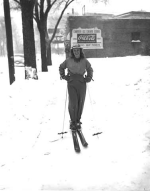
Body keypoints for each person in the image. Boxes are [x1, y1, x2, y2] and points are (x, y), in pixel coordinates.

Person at [59, 44, 93, 130]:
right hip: (71, 83)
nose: (76, 52)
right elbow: (61, 67)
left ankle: (78, 120)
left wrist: (88, 77)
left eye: (78, 50)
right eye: (75, 51)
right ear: (72, 52)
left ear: (80, 51)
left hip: (82, 83)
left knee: (80, 102)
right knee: (73, 103)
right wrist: (64, 76)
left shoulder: (84, 61)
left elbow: (90, 69)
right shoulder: (68, 61)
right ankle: (73, 121)